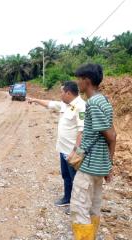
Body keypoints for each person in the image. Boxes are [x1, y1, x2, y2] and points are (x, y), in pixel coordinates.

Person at [69, 64, 116, 239]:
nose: (77, 83)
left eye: (79, 80)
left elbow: (111, 136)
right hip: (99, 166)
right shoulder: (104, 100)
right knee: (93, 207)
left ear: (86, 81)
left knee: (79, 209)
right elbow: (112, 134)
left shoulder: (93, 104)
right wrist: (108, 165)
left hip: (89, 167)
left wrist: (109, 165)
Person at [27, 81, 86, 208]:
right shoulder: (66, 105)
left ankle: (77, 207)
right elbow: (50, 104)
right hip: (64, 150)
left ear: (68, 93)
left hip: (73, 152)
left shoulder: (81, 106)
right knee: (66, 176)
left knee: (77, 180)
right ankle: (67, 198)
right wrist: (35, 100)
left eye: (62, 92)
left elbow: (83, 131)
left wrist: (76, 152)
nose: (60, 95)